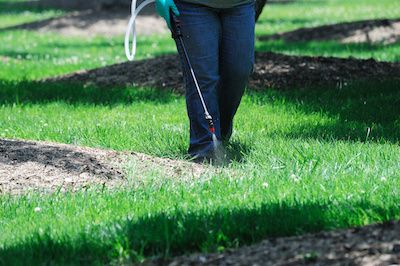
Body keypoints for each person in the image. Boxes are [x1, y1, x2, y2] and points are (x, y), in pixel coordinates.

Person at [156, 0, 255, 161]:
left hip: (240, 4)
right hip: (191, 5)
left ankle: (219, 134)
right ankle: (204, 149)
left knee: (238, 71)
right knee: (202, 77)